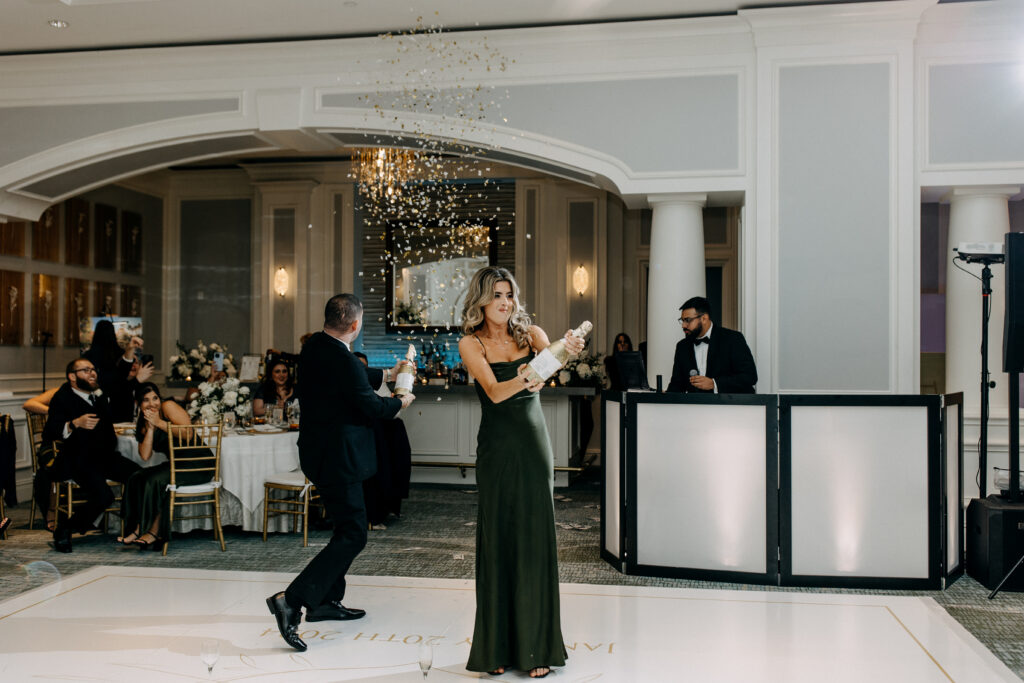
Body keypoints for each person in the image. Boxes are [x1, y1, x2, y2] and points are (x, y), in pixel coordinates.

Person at [266, 293, 415, 652]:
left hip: (321, 454)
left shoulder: (316, 347)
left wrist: (387, 372)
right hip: (339, 459)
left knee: (345, 529)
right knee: (353, 534)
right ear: (355, 325)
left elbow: (352, 373)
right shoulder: (341, 358)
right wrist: (400, 402)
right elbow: (369, 403)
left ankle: (325, 602)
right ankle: (293, 599)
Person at [457, 266, 583, 679]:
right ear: (480, 300)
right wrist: (531, 373)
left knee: (533, 539)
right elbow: (494, 392)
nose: (505, 302)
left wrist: (565, 352)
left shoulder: (533, 336)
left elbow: (549, 376)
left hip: (532, 445)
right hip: (496, 447)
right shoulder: (470, 343)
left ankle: (535, 647)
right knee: (498, 539)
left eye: (509, 295)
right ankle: (494, 647)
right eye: (496, 295)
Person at [42, 358, 142, 553]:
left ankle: (133, 527)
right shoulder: (62, 397)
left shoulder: (99, 396)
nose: (93, 373)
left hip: (105, 457)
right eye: (86, 370)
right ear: (72, 376)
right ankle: (65, 529)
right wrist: (74, 423)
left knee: (138, 475)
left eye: (93, 369)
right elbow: (50, 431)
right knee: (103, 495)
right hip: (78, 459)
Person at [118, 382, 213, 550]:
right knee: (137, 477)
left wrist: (160, 422)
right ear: (138, 404)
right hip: (177, 465)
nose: (152, 403)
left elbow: (188, 434)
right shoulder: (144, 423)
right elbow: (145, 456)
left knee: (155, 480)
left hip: (198, 464)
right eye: (146, 400)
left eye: (155, 398)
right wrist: (151, 429)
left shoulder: (168, 407)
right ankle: (137, 528)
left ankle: (150, 531)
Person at [666, 296, 757, 394]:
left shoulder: (732, 339)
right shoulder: (682, 346)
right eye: (682, 320)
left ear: (704, 318)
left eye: (687, 320)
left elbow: (749, 376)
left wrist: (714, 384)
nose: (683, 325)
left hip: (730, 407)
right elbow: (677, 385)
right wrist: (664, 398)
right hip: (695, 408)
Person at [84, 320, 154, 422]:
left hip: (106, 407)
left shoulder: (88, 356)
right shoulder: (119, 354)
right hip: (116, 407)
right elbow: (117, 387)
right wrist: (137, 379)